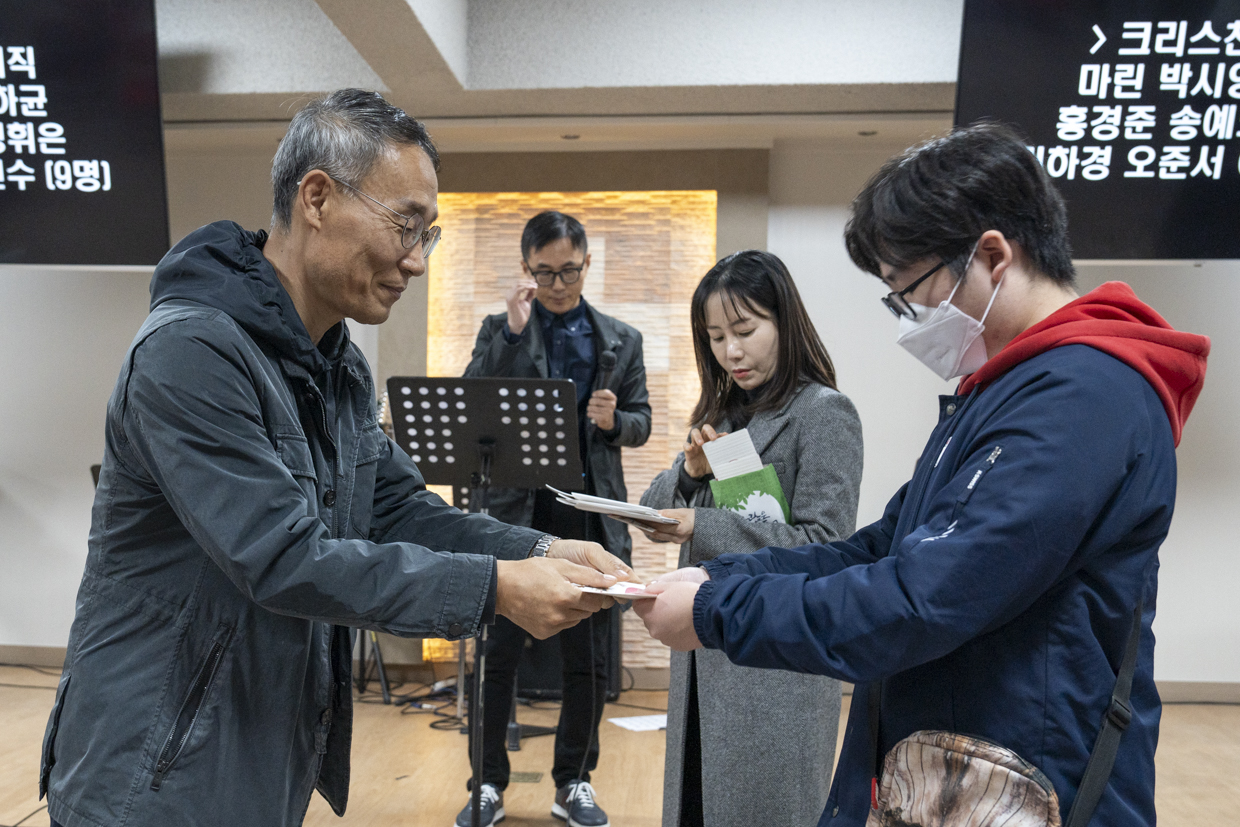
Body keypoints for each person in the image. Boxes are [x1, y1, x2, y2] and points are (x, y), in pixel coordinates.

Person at [37, 89, 630, 827]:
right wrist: (497, 587)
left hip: (257, 749)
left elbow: (397, 509)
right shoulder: (190, 351)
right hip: (150, 767)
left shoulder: (336, 364)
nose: (416, 260)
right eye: (404, 225)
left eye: (428, 234)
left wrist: (539, 549)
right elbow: (282, 556)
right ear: (316, 197)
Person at [635, 123, 1210, 827]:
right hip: (951, 768)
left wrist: (718, 611)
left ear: (991, 256)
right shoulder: (1001, 391)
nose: (909, 320)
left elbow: (925, 598)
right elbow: (882, 547)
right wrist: (723, 578)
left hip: (1025, 779)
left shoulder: (1082, 398)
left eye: (909, 293)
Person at [637, 250, 863, 827]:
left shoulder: (824, 412)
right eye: (715, 337)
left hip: (775, 670)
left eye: (744, 330)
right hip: (704, 662)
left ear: (784, 322)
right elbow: (653, 512)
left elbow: (824, 542)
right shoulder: (725, 415)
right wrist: (691, 476)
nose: (730, 352)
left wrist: (701, 524)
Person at [459, 211, 651, 827]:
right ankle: (486, 785)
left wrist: (614, 423)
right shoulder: (501, 328)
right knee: (498, 655)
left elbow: (642, 422)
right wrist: (515, 334)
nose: (559, 284)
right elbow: (472, 398)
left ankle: (574, 781)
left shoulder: (621, 337)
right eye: (545, 273)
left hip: (588, 514)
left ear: (587, 263)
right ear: (526, 269)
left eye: (569, 271)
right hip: (516, 512)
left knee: (587, 660)